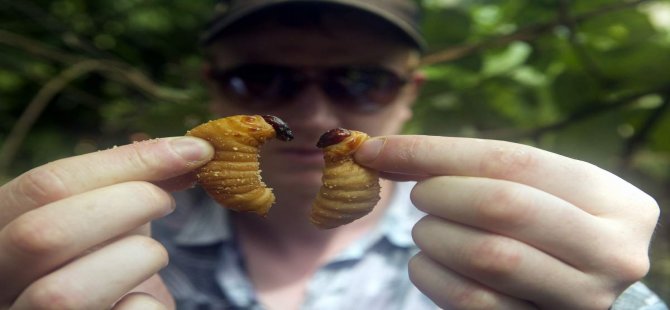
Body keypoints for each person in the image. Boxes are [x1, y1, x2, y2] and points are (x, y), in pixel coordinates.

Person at [0, 0, 667, 309]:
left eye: (362, 81)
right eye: (261, 80)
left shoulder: (509, 246)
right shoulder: (102, 244)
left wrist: (618, 301)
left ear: (411, 95)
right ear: (212, 87)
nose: (315, 115)